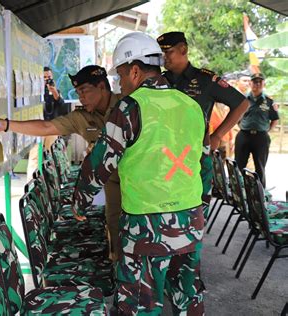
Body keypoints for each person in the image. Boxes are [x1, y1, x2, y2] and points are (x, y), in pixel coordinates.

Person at [72, 32, 206, 315]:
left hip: (146, 228)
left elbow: (100, 163)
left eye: (120, 76)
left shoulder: (131, 106)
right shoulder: (191, 106)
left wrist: (80, 203)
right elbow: (204, 163)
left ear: (134, 70)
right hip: (190, 221)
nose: (120, 84)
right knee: (188, 298)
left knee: (139, 304)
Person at [0, 65, 123, 260]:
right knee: (115, 232)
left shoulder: (126, 105)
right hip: (112, 184)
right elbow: (47, 126)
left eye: (84, 91)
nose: (81, 98)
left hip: (138, 183)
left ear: (102, 86)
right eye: (78, 93)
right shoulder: (81, 117)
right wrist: (5, 125)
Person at [157, 31, 249, 219]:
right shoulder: (159, 82)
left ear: (183, 50)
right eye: (161, 53)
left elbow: (242, 104)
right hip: (163, 157)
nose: (164, 57)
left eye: (168, 52)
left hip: (196, 157)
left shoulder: (205, 80)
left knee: (195, 215)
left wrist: (217, 136)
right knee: (165, 215)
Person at [235, 73, 279, 187]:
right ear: (250, 83)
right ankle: (239, 191)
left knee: (260, 166)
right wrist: (241, 125)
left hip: (261, 137)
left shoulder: (269, 101)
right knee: (239, 165)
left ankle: (260, 193)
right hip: (243, 135)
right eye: (255, 81)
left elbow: (275, 119)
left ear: (264, 84)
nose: (257, 84)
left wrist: (266, 130)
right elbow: (236, 116)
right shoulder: (242, 99)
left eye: (260, 82)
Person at [26, 67, 65, 180]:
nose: (47, 80)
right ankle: (32, 183)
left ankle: (52, 182)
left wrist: (54, 93)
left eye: (49, 77)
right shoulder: (34, 92)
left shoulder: (56, 92)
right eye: (44, 78)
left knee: (50, 155)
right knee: (34, 157)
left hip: (52, 127)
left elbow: (62, 107)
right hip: (37, 127)